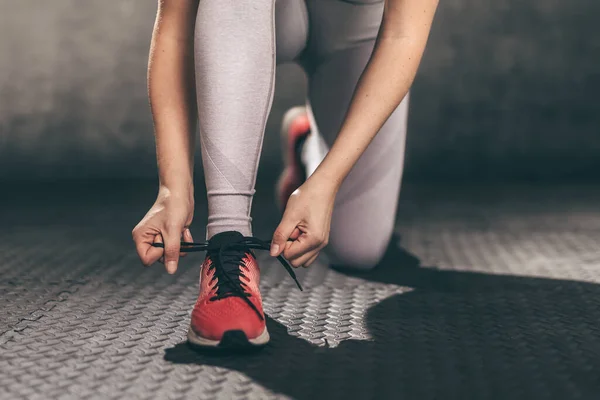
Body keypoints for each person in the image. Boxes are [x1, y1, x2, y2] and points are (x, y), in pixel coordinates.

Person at [132, 0, 438, 349]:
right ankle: (228, 244)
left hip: (356, 32)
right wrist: (173, 187)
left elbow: (402, 35)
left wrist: (326, 181)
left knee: (359, 249)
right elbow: (175, 27)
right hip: (254, 14)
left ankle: (306, 142)